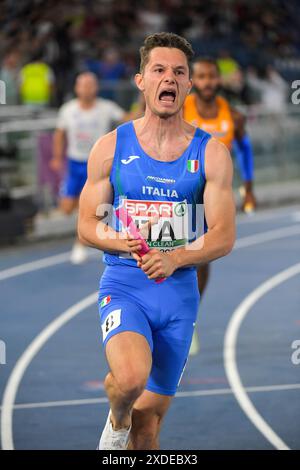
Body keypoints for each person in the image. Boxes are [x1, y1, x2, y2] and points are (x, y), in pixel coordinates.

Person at [78, 32, 235, 450]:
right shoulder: (111, 148)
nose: (170, 78)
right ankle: (115, 421)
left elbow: (223, 235)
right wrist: (119, 241)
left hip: (178, 295)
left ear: (187, 85)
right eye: (160, 70)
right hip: (125, 285)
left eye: (179, 72)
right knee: (129, 380)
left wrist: (175, 258)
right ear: (141, 80)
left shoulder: (211, 154)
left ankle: (129, 430)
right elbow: (86, 226)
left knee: (148, 430)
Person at [183, 57, 255, 307]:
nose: (207, 82)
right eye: (201, 77)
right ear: (192, 81)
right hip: (180, 192)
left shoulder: (233, 115)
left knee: (201, 257)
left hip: (214, 195)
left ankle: (190, 314)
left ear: (218, 79)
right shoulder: (180, 110)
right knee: (171, 252)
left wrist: (248, 188)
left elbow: (245, 150)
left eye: (211, 76)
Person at [50, 72, 127, 264]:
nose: (87, 88)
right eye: (83, 85)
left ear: (96, 88)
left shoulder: (106, 107)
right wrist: (57, 157)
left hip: (97, 164)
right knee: (66, 208)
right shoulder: (68, 110)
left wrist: (142, 104)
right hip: (75, 162)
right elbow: (59, 133)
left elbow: (128, 119)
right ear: (77, 88)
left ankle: (80, 243)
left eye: (90, 85)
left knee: (93, 207)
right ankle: (87, 220)